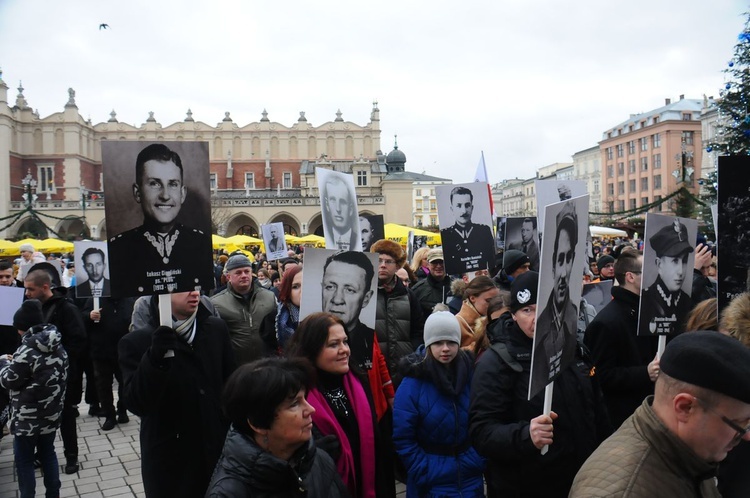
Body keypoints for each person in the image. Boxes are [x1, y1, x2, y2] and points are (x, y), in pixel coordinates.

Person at [469, 271, 611, 497]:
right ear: (513, 315)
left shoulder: (574, 350)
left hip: (583, 480)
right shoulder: (496, 362)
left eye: (544, 307)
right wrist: (526, 435)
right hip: (527, 486)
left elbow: (598, 412)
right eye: (527, 310)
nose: (537, 318)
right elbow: (482, 432)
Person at [570, 331, 750, 497]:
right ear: (685, 407)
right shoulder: (624, 491)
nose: (746, 435)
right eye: (738, 425)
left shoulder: (689, 455)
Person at [118, 290, 237, 497]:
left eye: (196, 285)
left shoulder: (216, 328)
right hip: (171, 462)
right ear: (162, 292)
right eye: (183, 287)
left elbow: (231, 386)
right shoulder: (137, 341)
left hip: (217, 450)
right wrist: (154, 359)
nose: (194, 292)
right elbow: (136, 402)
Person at [285, 312, 396, 498]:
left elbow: (378, 452)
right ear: (311, 350)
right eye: (333, 344)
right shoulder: (295, 396)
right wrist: (313, 454)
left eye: (345, 342)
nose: (344, 349)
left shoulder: (359, 383)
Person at [205, 357, 349, 497]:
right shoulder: (229, 492)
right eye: (294, 404)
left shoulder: (319, 461)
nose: (311, 409)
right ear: (258, 423)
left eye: (305, 398)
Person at [393, 311, 486, 497]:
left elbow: (482, 419)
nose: (445, 348)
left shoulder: (471, 374)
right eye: (438, 342)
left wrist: (479, 458)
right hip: (432, 481)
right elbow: (403, 437)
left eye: (451, 342)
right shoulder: (412, 383)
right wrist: (423, 471)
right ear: (428, 344)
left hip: (470, 474)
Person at [108, 143, 214, 296]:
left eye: (172, 184)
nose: (165, 195)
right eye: (154, 183)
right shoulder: (117, 249)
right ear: (138, 192)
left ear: (182, 193)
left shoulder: (201, 244)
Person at [584, 247, 659, 429]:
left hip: (649, 409)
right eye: (647, 272)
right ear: (630, 277)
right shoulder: (606, 322)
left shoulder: (649, 311)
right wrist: (644, 373)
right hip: (624, 418)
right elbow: (599, 375)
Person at [0, 300, 68, 498]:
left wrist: (4, 362)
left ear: (23, 328)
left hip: (26, 420)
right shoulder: (58, 345)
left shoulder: (25, 351)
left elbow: (7, 381)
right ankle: (53, 494)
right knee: (49, 454)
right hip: (51, 414)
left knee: (24, 461)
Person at [24, 267, 87, 475]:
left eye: (30, 289)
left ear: (45, 287)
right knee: (41, 418)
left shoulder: (66, 308)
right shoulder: (32, 308)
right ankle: (43, 455)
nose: (27, 293)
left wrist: (59, 362)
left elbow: (78, 340)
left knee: (66, 416)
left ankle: (72, 456)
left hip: (63, 375)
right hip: (38, 377)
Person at [321, 251, 394, 422]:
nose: (337, 299)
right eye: (330, 287)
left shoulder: (369, 336)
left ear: (366, 298)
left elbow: (379, 363)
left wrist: (390, 396)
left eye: (349, 289)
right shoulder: (309, 340)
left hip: (373, 415)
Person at [532, 203, 580, 394]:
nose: (563, 273)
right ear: (552, 265)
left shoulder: (574, 315)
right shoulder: (538, 326)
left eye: (568, 259)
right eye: (560, 260)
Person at [370, 239, 424, 388]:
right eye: (379, 260)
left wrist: (411, 355)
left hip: (403, 367)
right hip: (374, 368)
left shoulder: (408, 295)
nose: (382, 265)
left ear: (397, 266)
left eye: (388, 261)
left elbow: (418, 329)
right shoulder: (365, 293)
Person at [80, 293, 136, 430]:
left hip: (123, 350)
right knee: (103, 385)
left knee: (125, 382)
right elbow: (82, 317)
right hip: (101, 350)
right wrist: (89, 316)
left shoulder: (129, 299)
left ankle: (122, 410)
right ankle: (109, 415)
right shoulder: (95, 299)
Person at [211, 254, 277, 364]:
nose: (244, 275)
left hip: (267, 366)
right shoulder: (216, 303)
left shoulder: (269, 297)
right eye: (238, 272)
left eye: (247, 271)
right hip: (236, 369)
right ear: (228, 277)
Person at [639, 218, 694, 336]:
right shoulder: (644, 301)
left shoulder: (689, 301)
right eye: (674, 260)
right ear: (659, 264)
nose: (680, 271)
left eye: (684, 261)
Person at [439, 186, 495, 274]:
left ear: (472, 208)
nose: (464, 211)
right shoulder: (446, 235)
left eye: (467, 205)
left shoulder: (484, 231)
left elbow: (492, 261)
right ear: (452, 209)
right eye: (459, 206)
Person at [259, 265, 303, 354]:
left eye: (307, 285)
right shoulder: (273, 319)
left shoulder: (329, 315)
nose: (302, 291)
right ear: (287, 290)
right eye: (295, 287)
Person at [456, 276, 500, 349]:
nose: (493, 305)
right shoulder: (457, 324)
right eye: (488, 301)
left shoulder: (498, 319)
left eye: (496, 301)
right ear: (472, 298)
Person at [322, 174, 360, 251]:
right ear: (327, 204)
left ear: (351, 208)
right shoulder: (325, 240)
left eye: (343, 202)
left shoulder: (358, 241)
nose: (338, 209)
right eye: (333, 200)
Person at [411, 248, 453, 318]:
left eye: (441, 262)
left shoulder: (456, 289)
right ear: (428, 265)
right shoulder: (418, 290)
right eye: (434, 262)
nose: (438, 266)